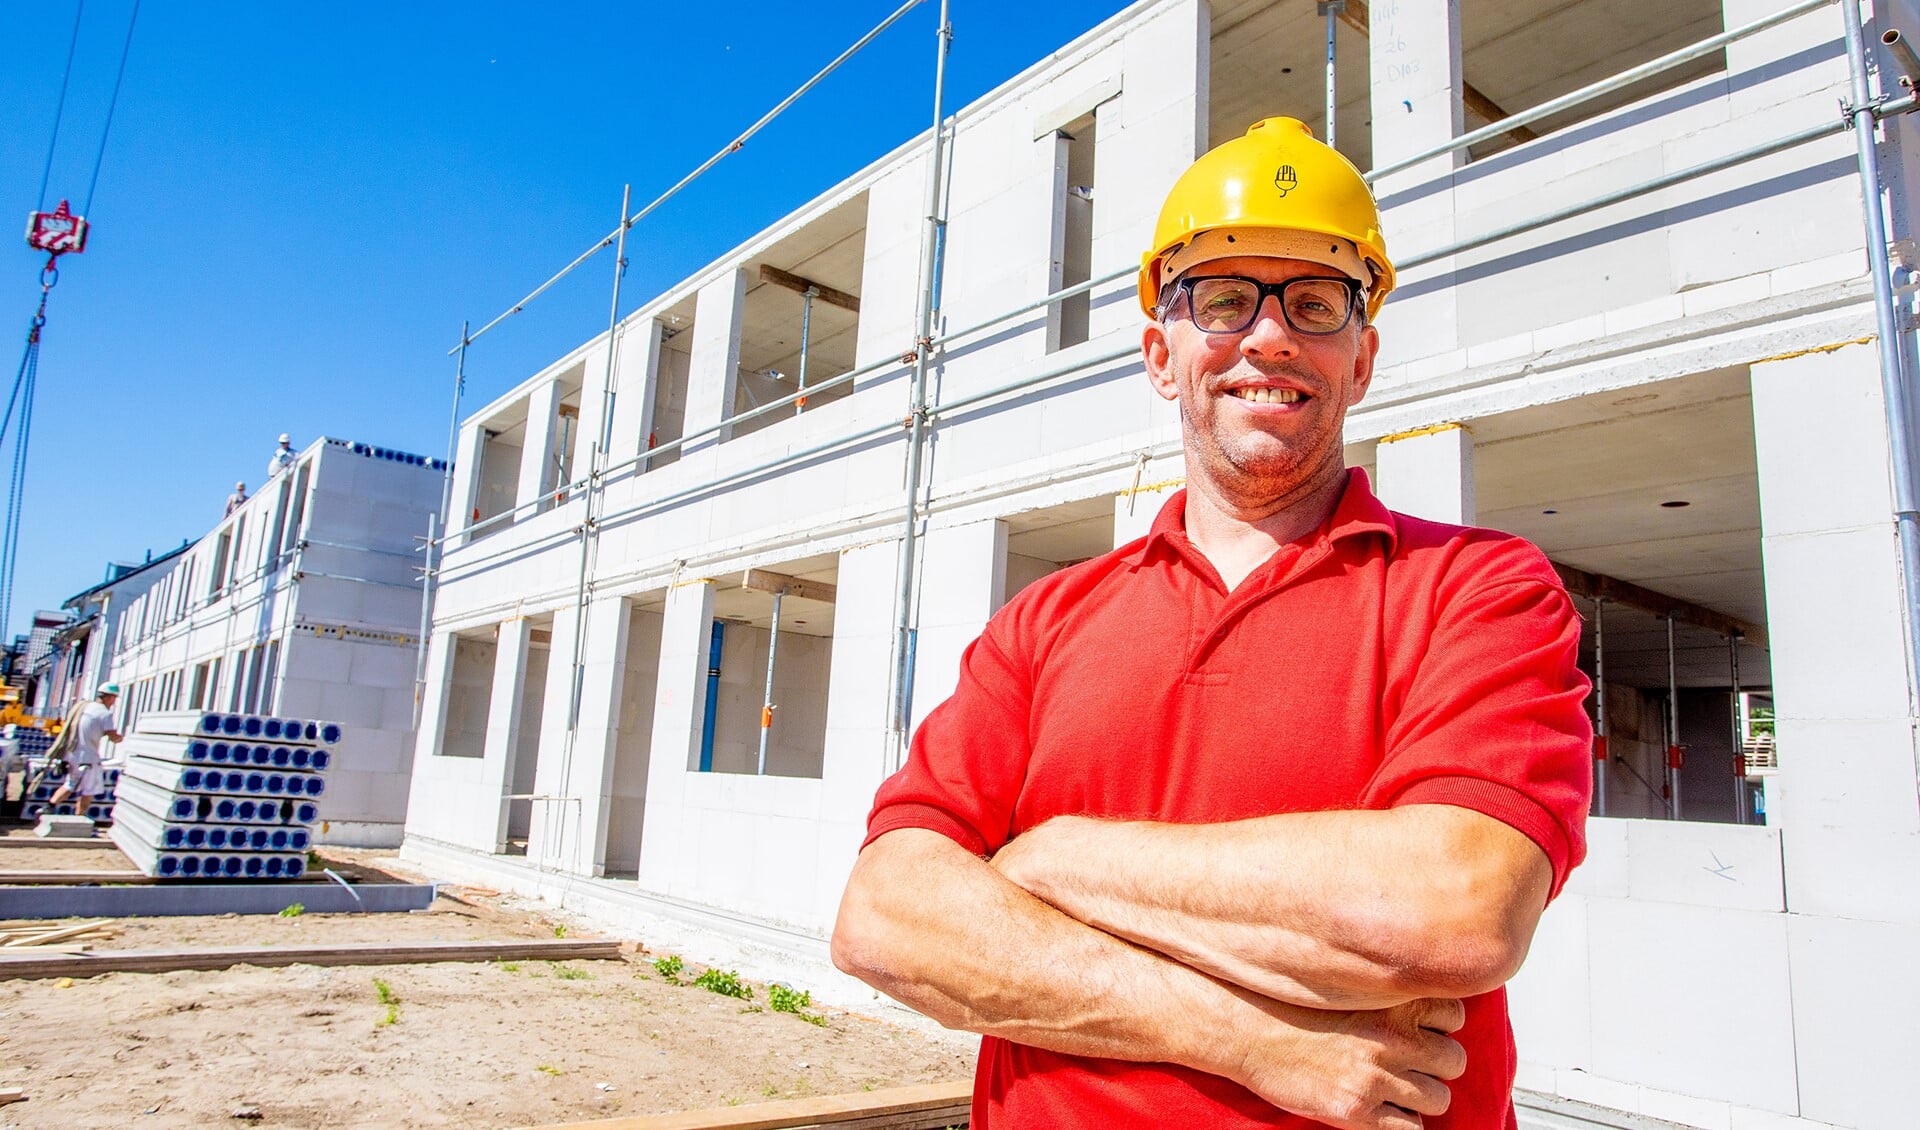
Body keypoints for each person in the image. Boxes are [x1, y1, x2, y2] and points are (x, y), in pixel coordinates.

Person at [832, 117, 1593, 1130]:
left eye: (1317, 304)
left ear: (1361, 361)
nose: (1270, 335)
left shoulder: (1479, 588)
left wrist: (1055, 861)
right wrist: (1249, 1038)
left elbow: (1454, 907)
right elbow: (887, 916)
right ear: (1161, 352)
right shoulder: (1047, 621)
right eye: (1227, 299)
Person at [47, 683, 123, 814]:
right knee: (89, 791)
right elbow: (113, 736)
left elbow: (89, 728)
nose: (114, 702)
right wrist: (120, 738)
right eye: (114, 698)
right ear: (109, 697)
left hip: (72, 754)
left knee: (70, 785)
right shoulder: (105, 714)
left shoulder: (86, 707)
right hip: (88, 758)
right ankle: (79, 818)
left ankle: (48, 808)